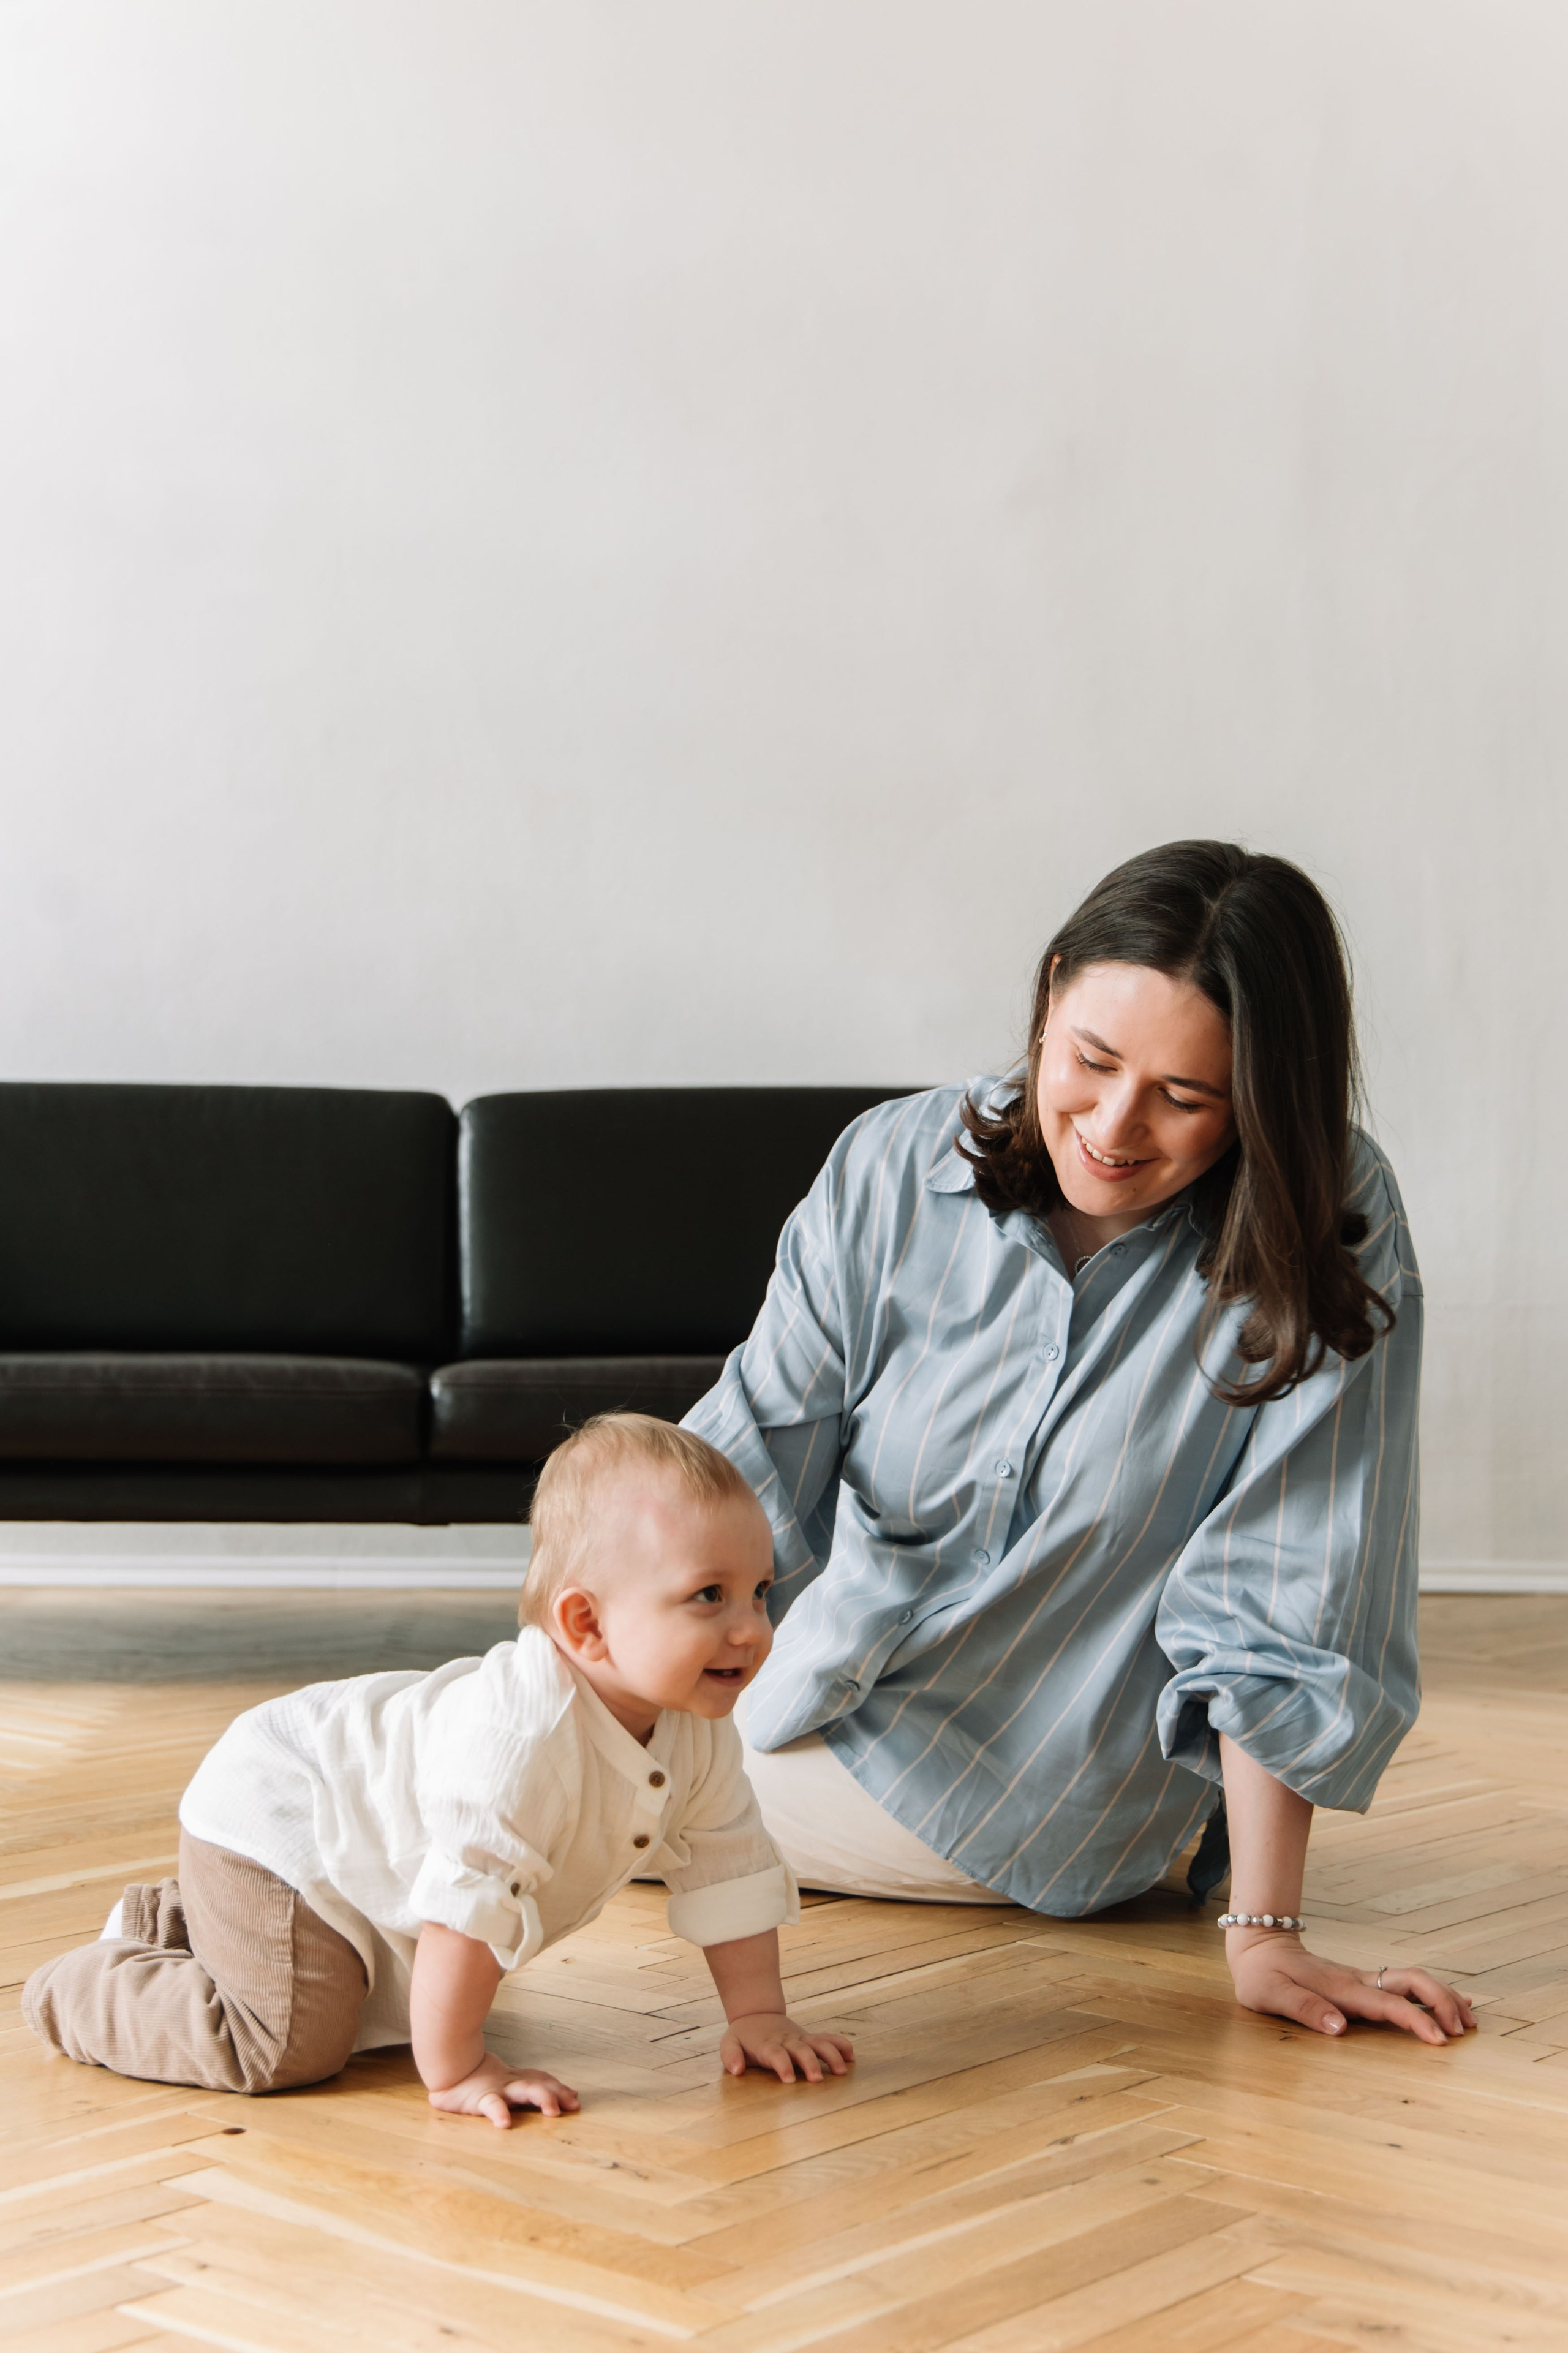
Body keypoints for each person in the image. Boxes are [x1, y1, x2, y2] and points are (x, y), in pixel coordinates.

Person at [687, 839, 1474, 2046]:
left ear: (1259, 1101)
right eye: (1090, 1060)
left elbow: (1285, 1590)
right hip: (816, 1699)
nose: (1111, 1126)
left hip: (1031, 1793)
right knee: (486, 1740)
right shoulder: (894, 1161)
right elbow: (742, 1467)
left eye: (1183, 1096)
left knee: (505, 1789)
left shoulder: (1327, 1225)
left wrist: (1264, 1932)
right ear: (1050, 991)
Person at [23, 1416, 854, 2120]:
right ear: (586, 1623)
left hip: (359, 1843)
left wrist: (761, 2017)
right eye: (710, 1595)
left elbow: (728, 1864)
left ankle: (192, 1920)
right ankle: (80, 1988)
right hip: (284, 1814)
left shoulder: (694, 1725)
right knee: (289, 2042)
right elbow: (468, 1907)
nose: (750, 1627)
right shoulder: (527, 1737)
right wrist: (456, 2069)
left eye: (760, 1591)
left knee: (381, 1996)